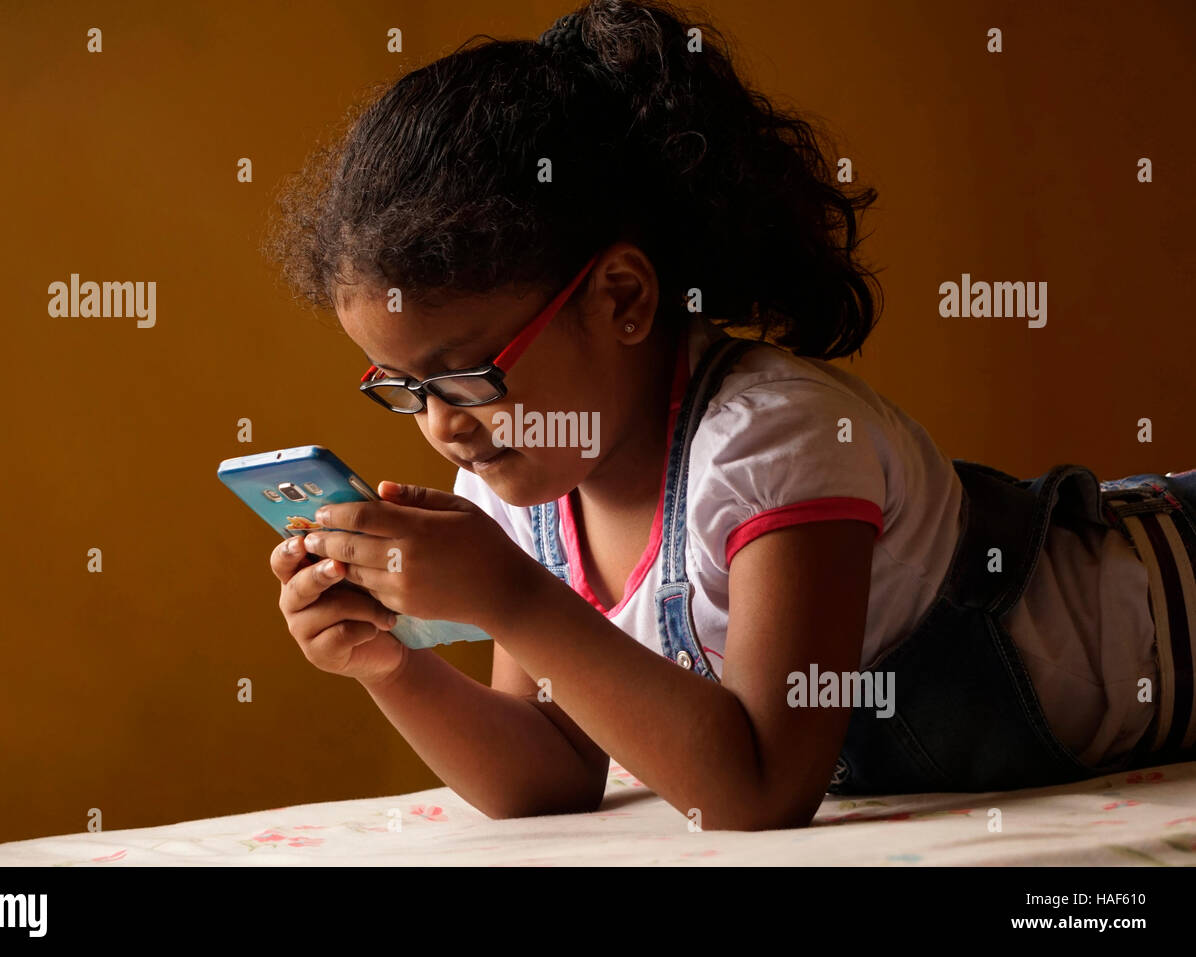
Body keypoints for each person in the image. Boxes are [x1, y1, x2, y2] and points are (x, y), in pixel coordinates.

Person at [259, 0, 1196, 829]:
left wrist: (506, 592)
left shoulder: (771, 439)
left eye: (466, 373)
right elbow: (551, 774)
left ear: (622, 296)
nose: (441, 425)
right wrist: (391, 664)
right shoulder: (521, 482)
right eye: (403, 385)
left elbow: (760, 784)